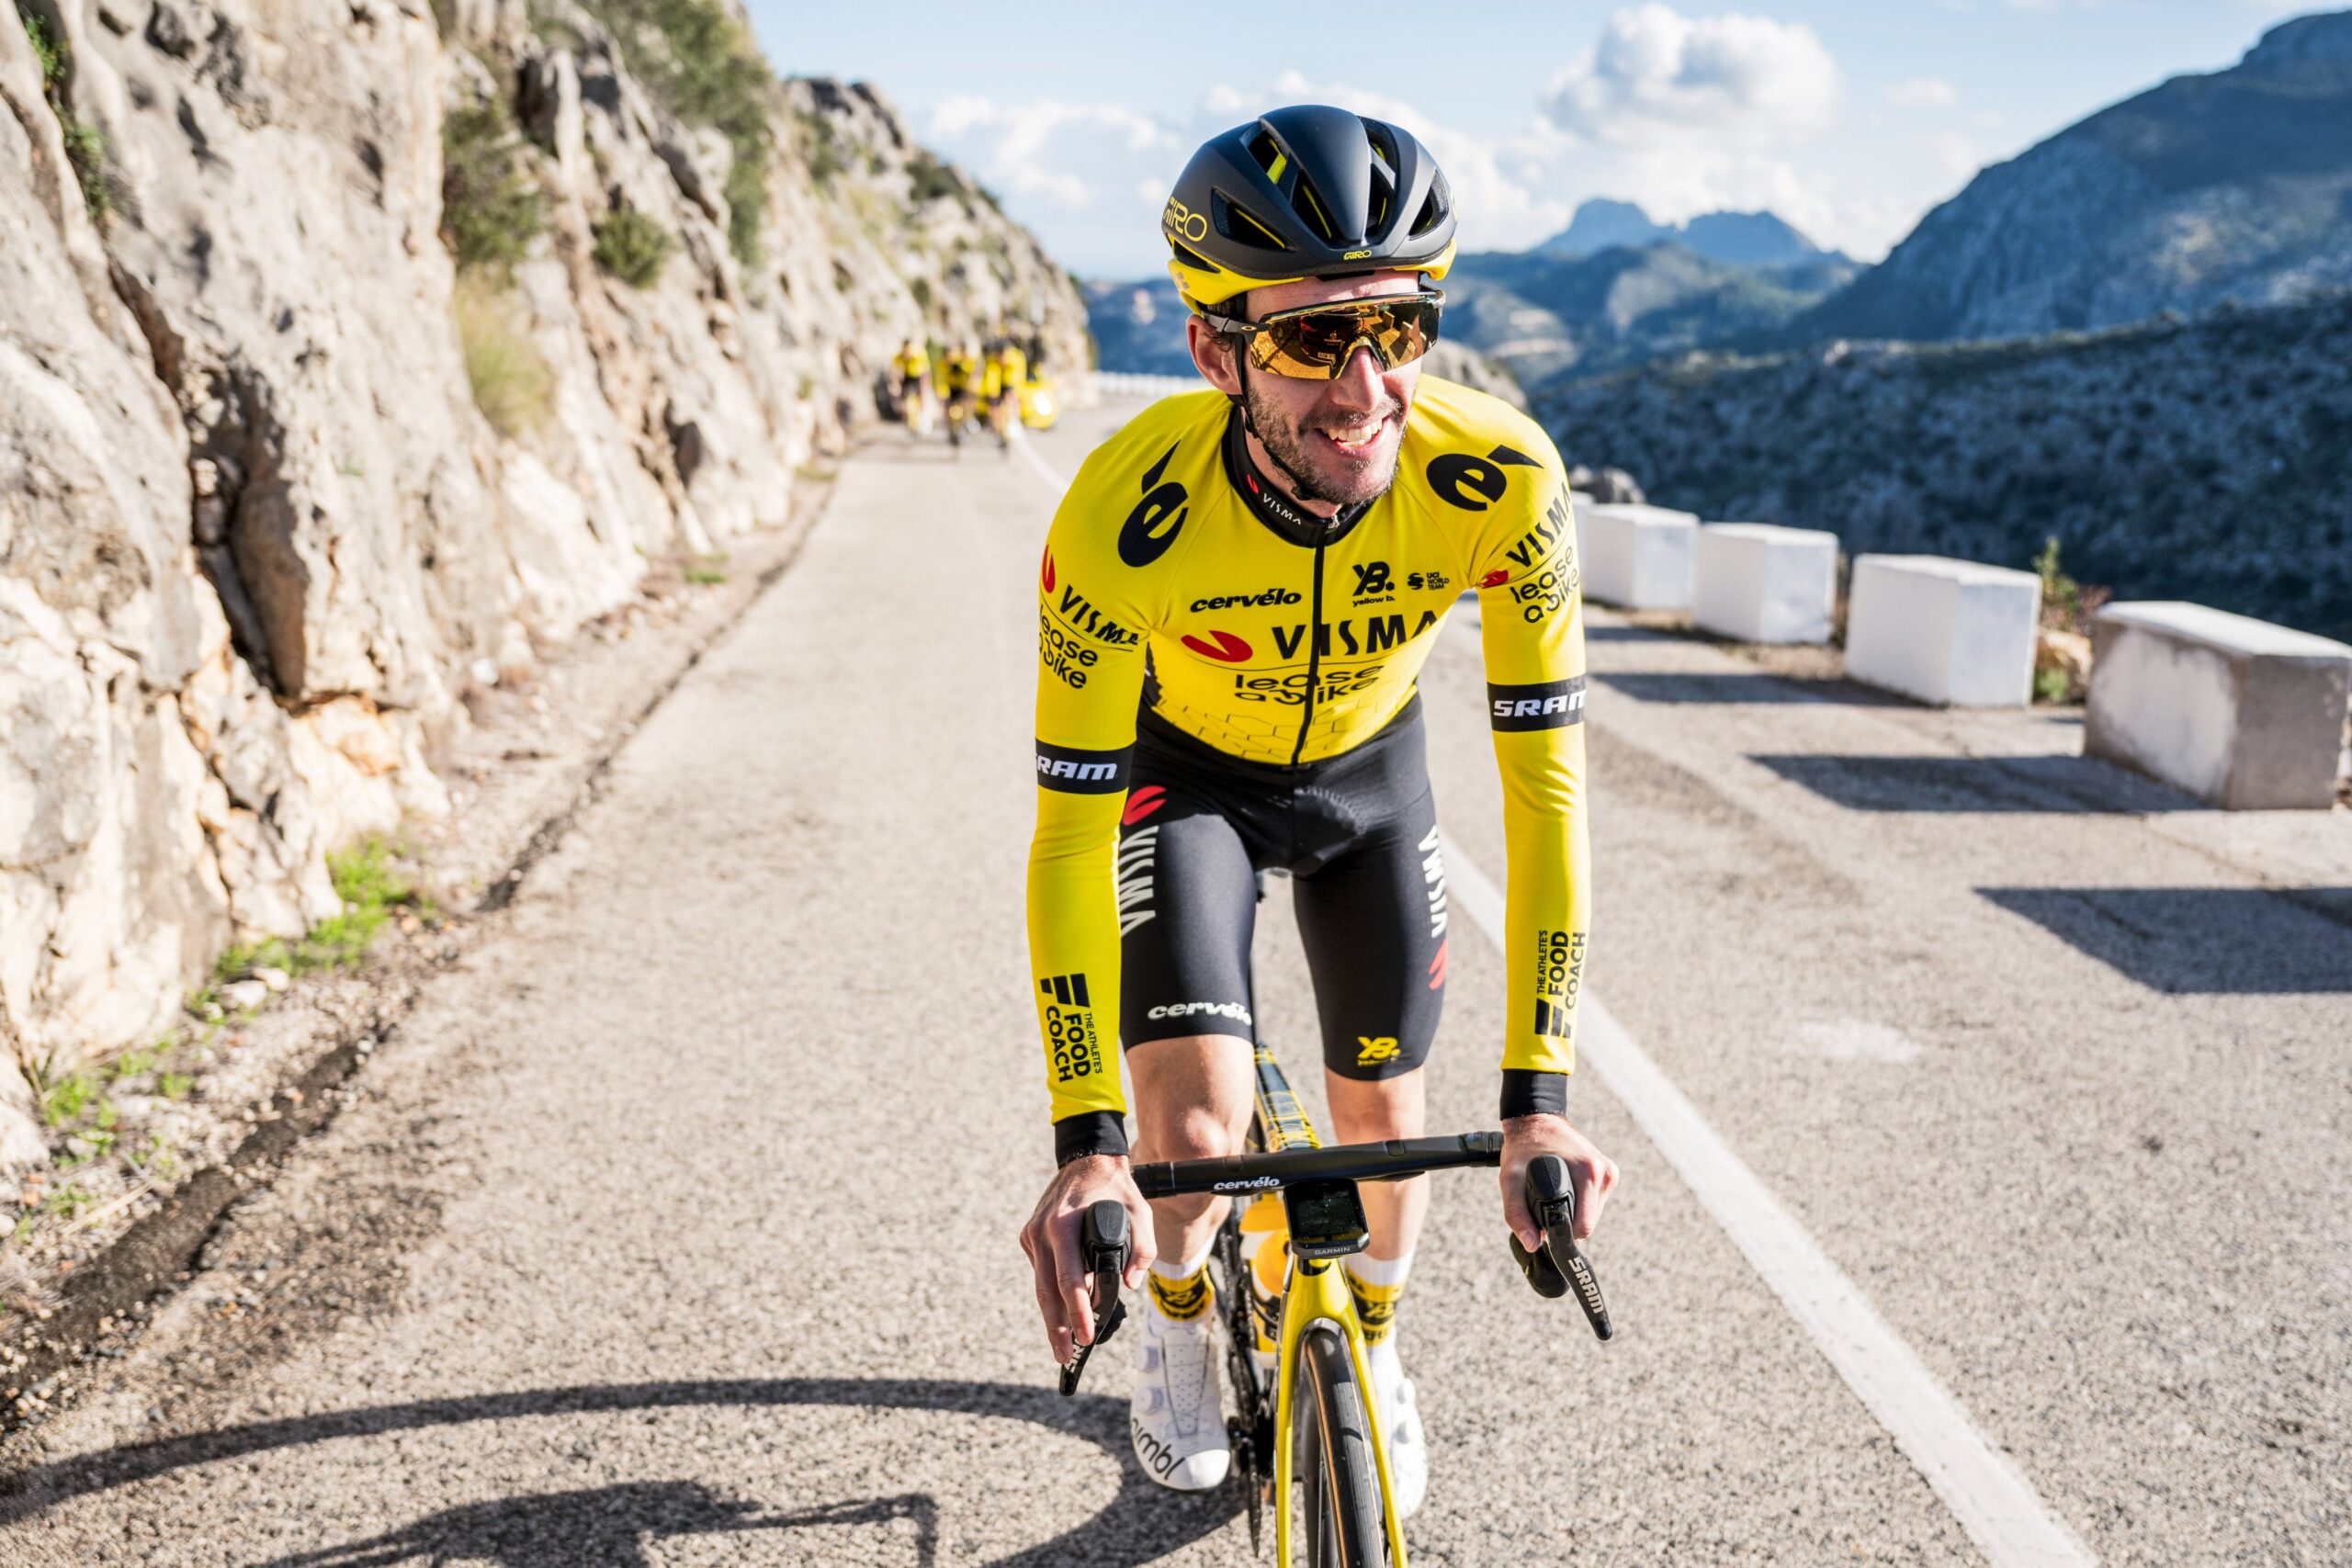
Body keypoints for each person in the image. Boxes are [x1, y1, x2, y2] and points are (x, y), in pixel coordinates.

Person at [1018, 105, 1617, 1514]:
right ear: (1212, 349)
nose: (1364, 387)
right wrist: (1087, 1140)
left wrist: (1539, 1101)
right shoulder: (1118, 518)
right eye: (1310, 340)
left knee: (1386, 1104)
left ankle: (1379, 1342)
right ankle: (1179, 1318)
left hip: (1366, 781)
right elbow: (1068, 834)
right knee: (1195, 1138)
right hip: (1188, 782)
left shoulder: (1504, 483)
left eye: (1397, 327)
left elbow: (1545, 789)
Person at [941, 340, 980, 450]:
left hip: (963, 387)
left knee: (964, 406)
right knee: (949, 409)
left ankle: (965, 424)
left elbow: (972, 374)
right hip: (951, 388)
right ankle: (951, 429)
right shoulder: (949, 361)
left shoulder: (967, 361)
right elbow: (942, 378)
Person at [891, 337, 930, 439]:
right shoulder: (899, 356)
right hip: (907, 377)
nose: (906, 355)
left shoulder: (919, 354)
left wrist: (924, 388)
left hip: (918, 377)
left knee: (921, 398)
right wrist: (896, 385)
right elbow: (894, 372)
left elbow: (925, 372)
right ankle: (907, 420)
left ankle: (922, 417)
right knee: (903, 401)